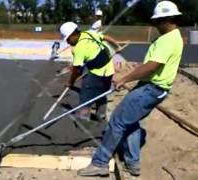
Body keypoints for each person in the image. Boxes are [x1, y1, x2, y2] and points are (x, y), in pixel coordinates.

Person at [77, 1, 183, 177]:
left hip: (151, 88)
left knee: (117, 121)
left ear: (168, 19)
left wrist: (124, 78)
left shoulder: (168, 40)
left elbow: (151, 66)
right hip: (151, 87)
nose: (154, 25)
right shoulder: (172, 37)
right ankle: (132, 164)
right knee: (130, 122)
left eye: (157, 21)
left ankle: (100, 163)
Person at [59, 22, 122, 122]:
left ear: (73, 34)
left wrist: (70, 82)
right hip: (109, 70)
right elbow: (105, 37)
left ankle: (83, 118)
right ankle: (101, 115)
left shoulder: (79, 48)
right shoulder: (89, 33)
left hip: (97, 74)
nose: (67, 42)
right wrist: (117, 46)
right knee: (102, 92)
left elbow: (78, 71)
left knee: (85, 96)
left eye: (68, 39)